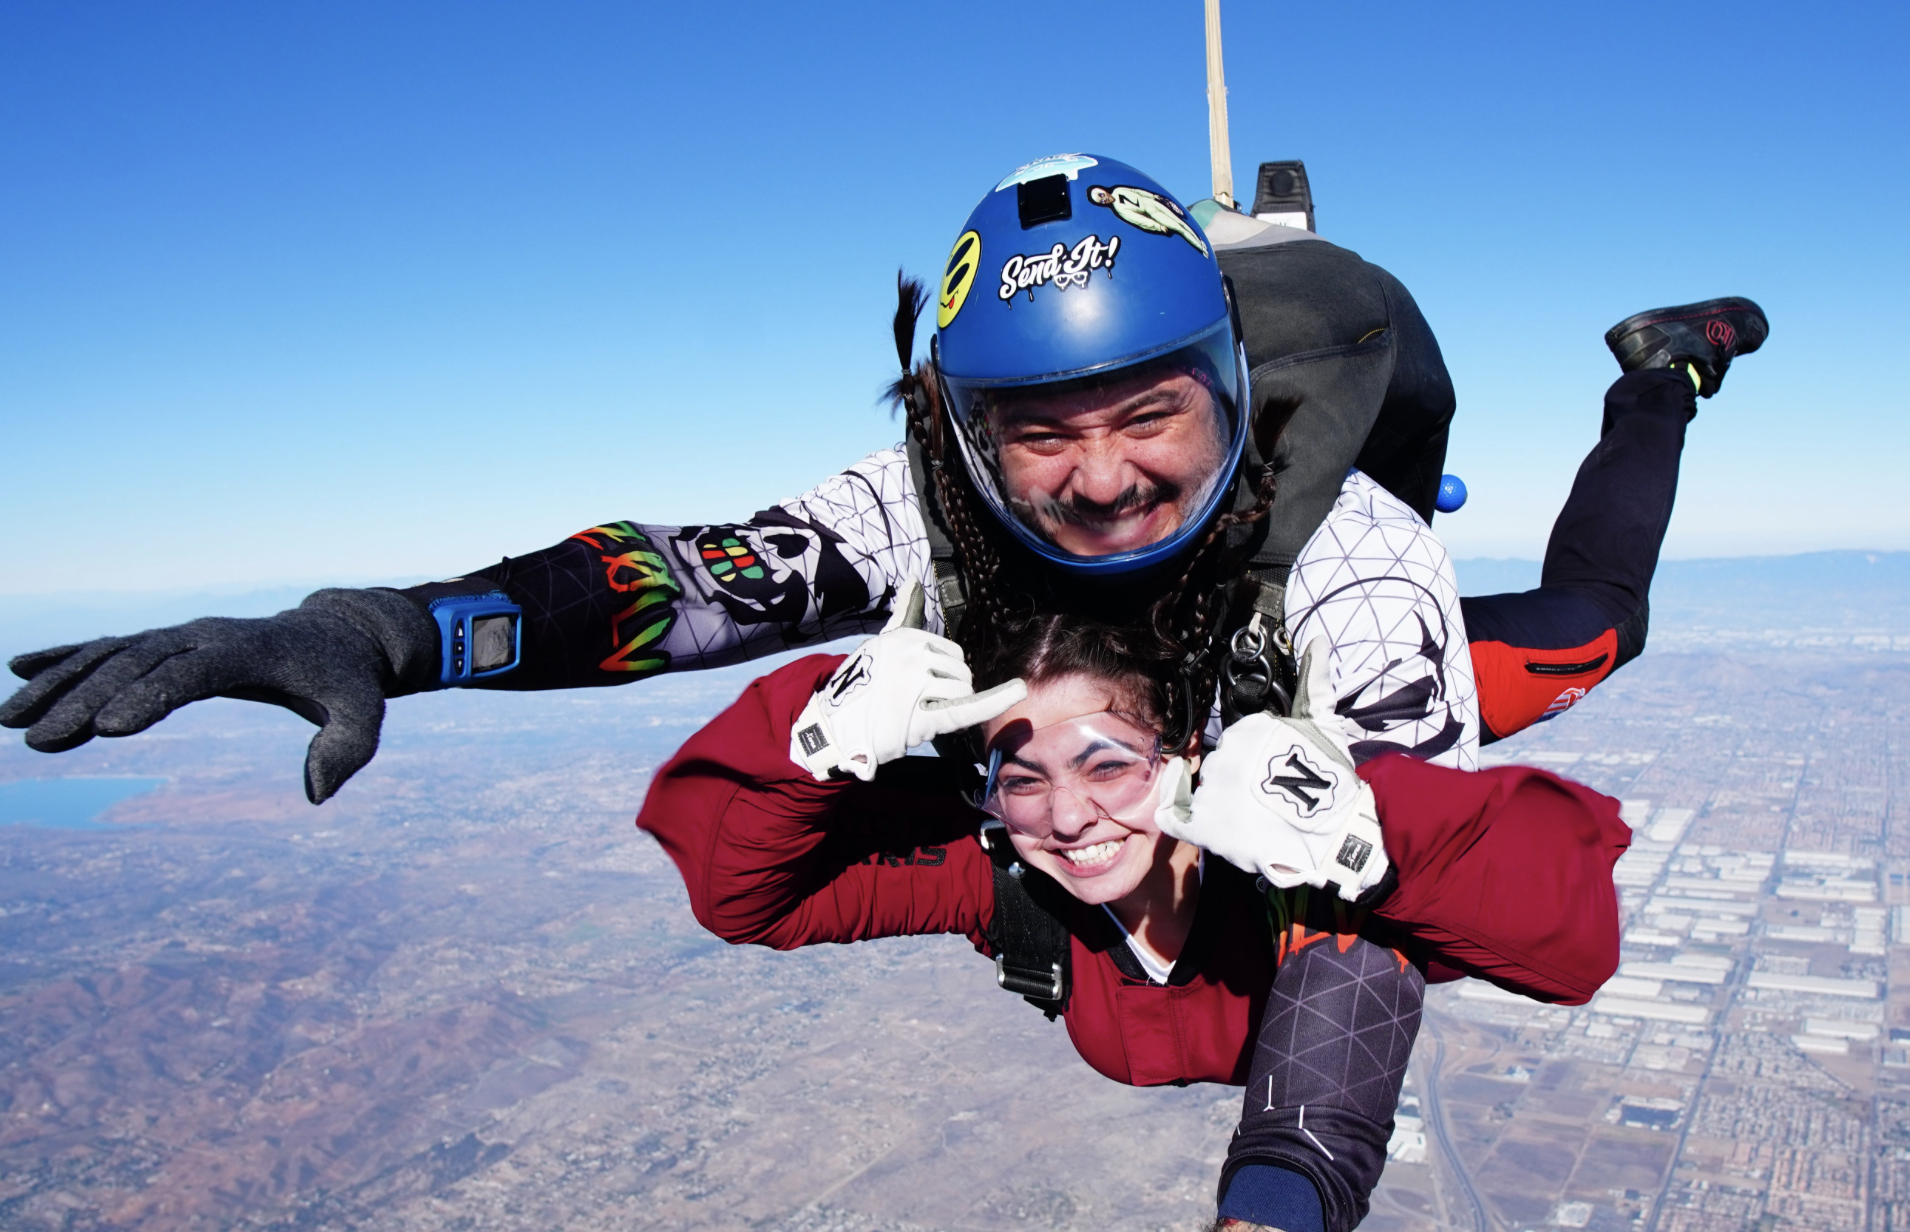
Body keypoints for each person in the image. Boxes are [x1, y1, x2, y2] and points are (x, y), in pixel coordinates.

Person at [0, 151, 1767, 816]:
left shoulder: (1355, 569)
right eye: (1031, 433)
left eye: (1145, 414)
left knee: (1595, 625)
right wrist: (389, 629)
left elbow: (1376, 873)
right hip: (1116, 686)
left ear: (1230, 392)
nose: (1091, 481)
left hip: (1287, 663)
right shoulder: (925, 494)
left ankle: (1657, 374)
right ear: (956, 432)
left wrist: (1273, 1211)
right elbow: (697, 579)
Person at [637, 604, 1631, 1232]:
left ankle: (1666, 376)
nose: (1068, 816)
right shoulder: (1015, 876)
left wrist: (1363, 826)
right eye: (1020, 776)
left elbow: (1572, 937)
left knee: (1601, 624)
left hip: (1371, 703)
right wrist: (813, 727)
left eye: (1108, 762)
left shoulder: (1291, 856)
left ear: (1190, 750)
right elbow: (744, 894)